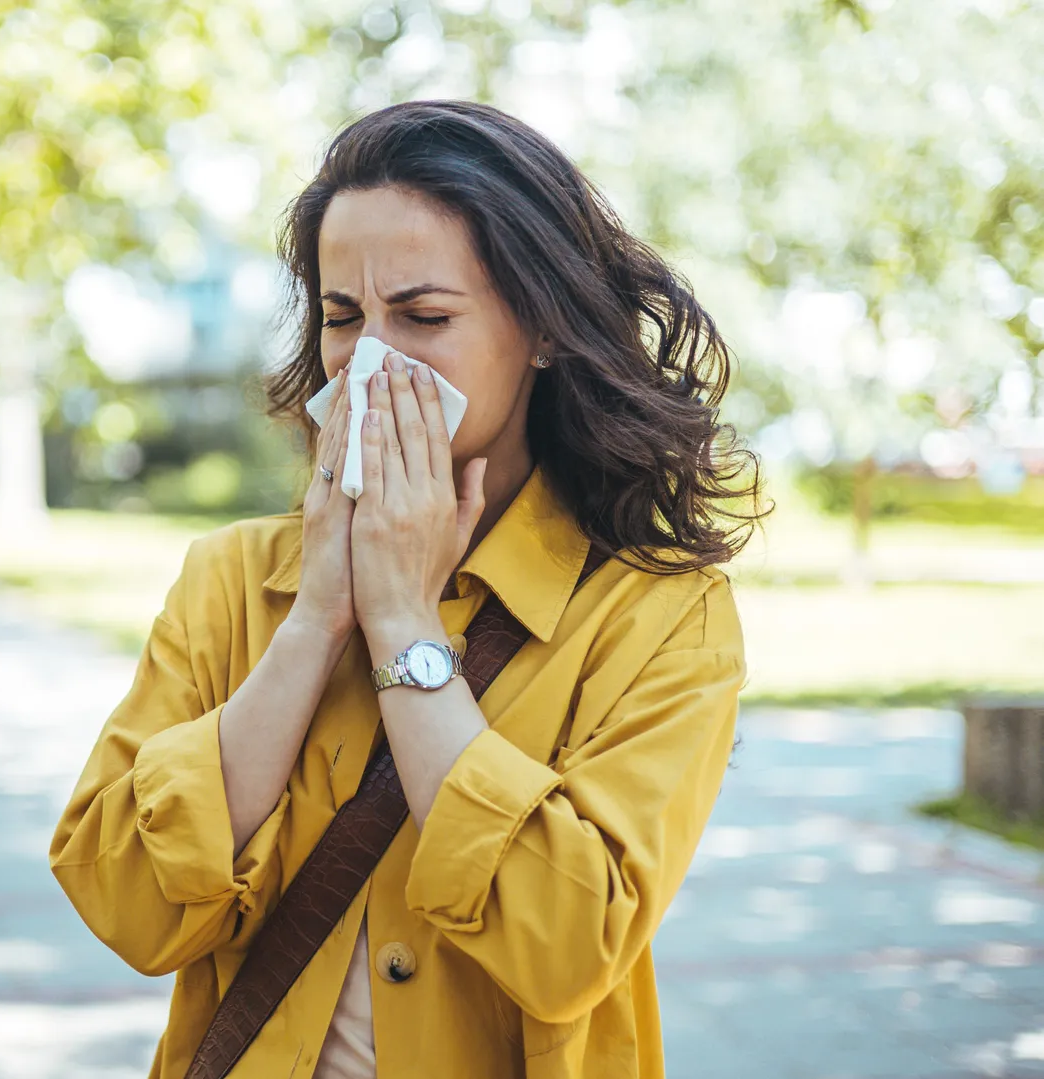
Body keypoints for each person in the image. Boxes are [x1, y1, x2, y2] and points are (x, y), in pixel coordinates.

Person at [51, 100, 763, 1079]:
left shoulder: (656, 613)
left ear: (542, 330)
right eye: (342, 318)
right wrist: (316, 618)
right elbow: (123, 897)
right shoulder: (229, 580)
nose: (369, 359)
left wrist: (399, 623)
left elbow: (567, 945)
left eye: (423, 316)